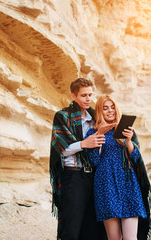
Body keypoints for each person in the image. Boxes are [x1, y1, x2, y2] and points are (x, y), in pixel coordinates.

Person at [49, 78, 112, 240]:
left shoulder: (97, 117)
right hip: (74, 177)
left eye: (90, 95)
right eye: (84, 95)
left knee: (94, 227)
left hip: (96, 177)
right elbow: (61, 151)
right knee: (71, 228)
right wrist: (84, 144)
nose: (88, 99)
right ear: (73, 96)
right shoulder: (63, 116)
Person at [85, 95, 151, 240]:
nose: (110, 111)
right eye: (105, 108)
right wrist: (100, 134)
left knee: (131, 238)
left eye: (112, 107)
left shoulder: (128, 130)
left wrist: (128, 141)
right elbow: (94, 161)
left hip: (128, 184)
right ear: (99, 112)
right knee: (114, 238)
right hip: (106, 184)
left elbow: (136, 159)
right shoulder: (92, 133)